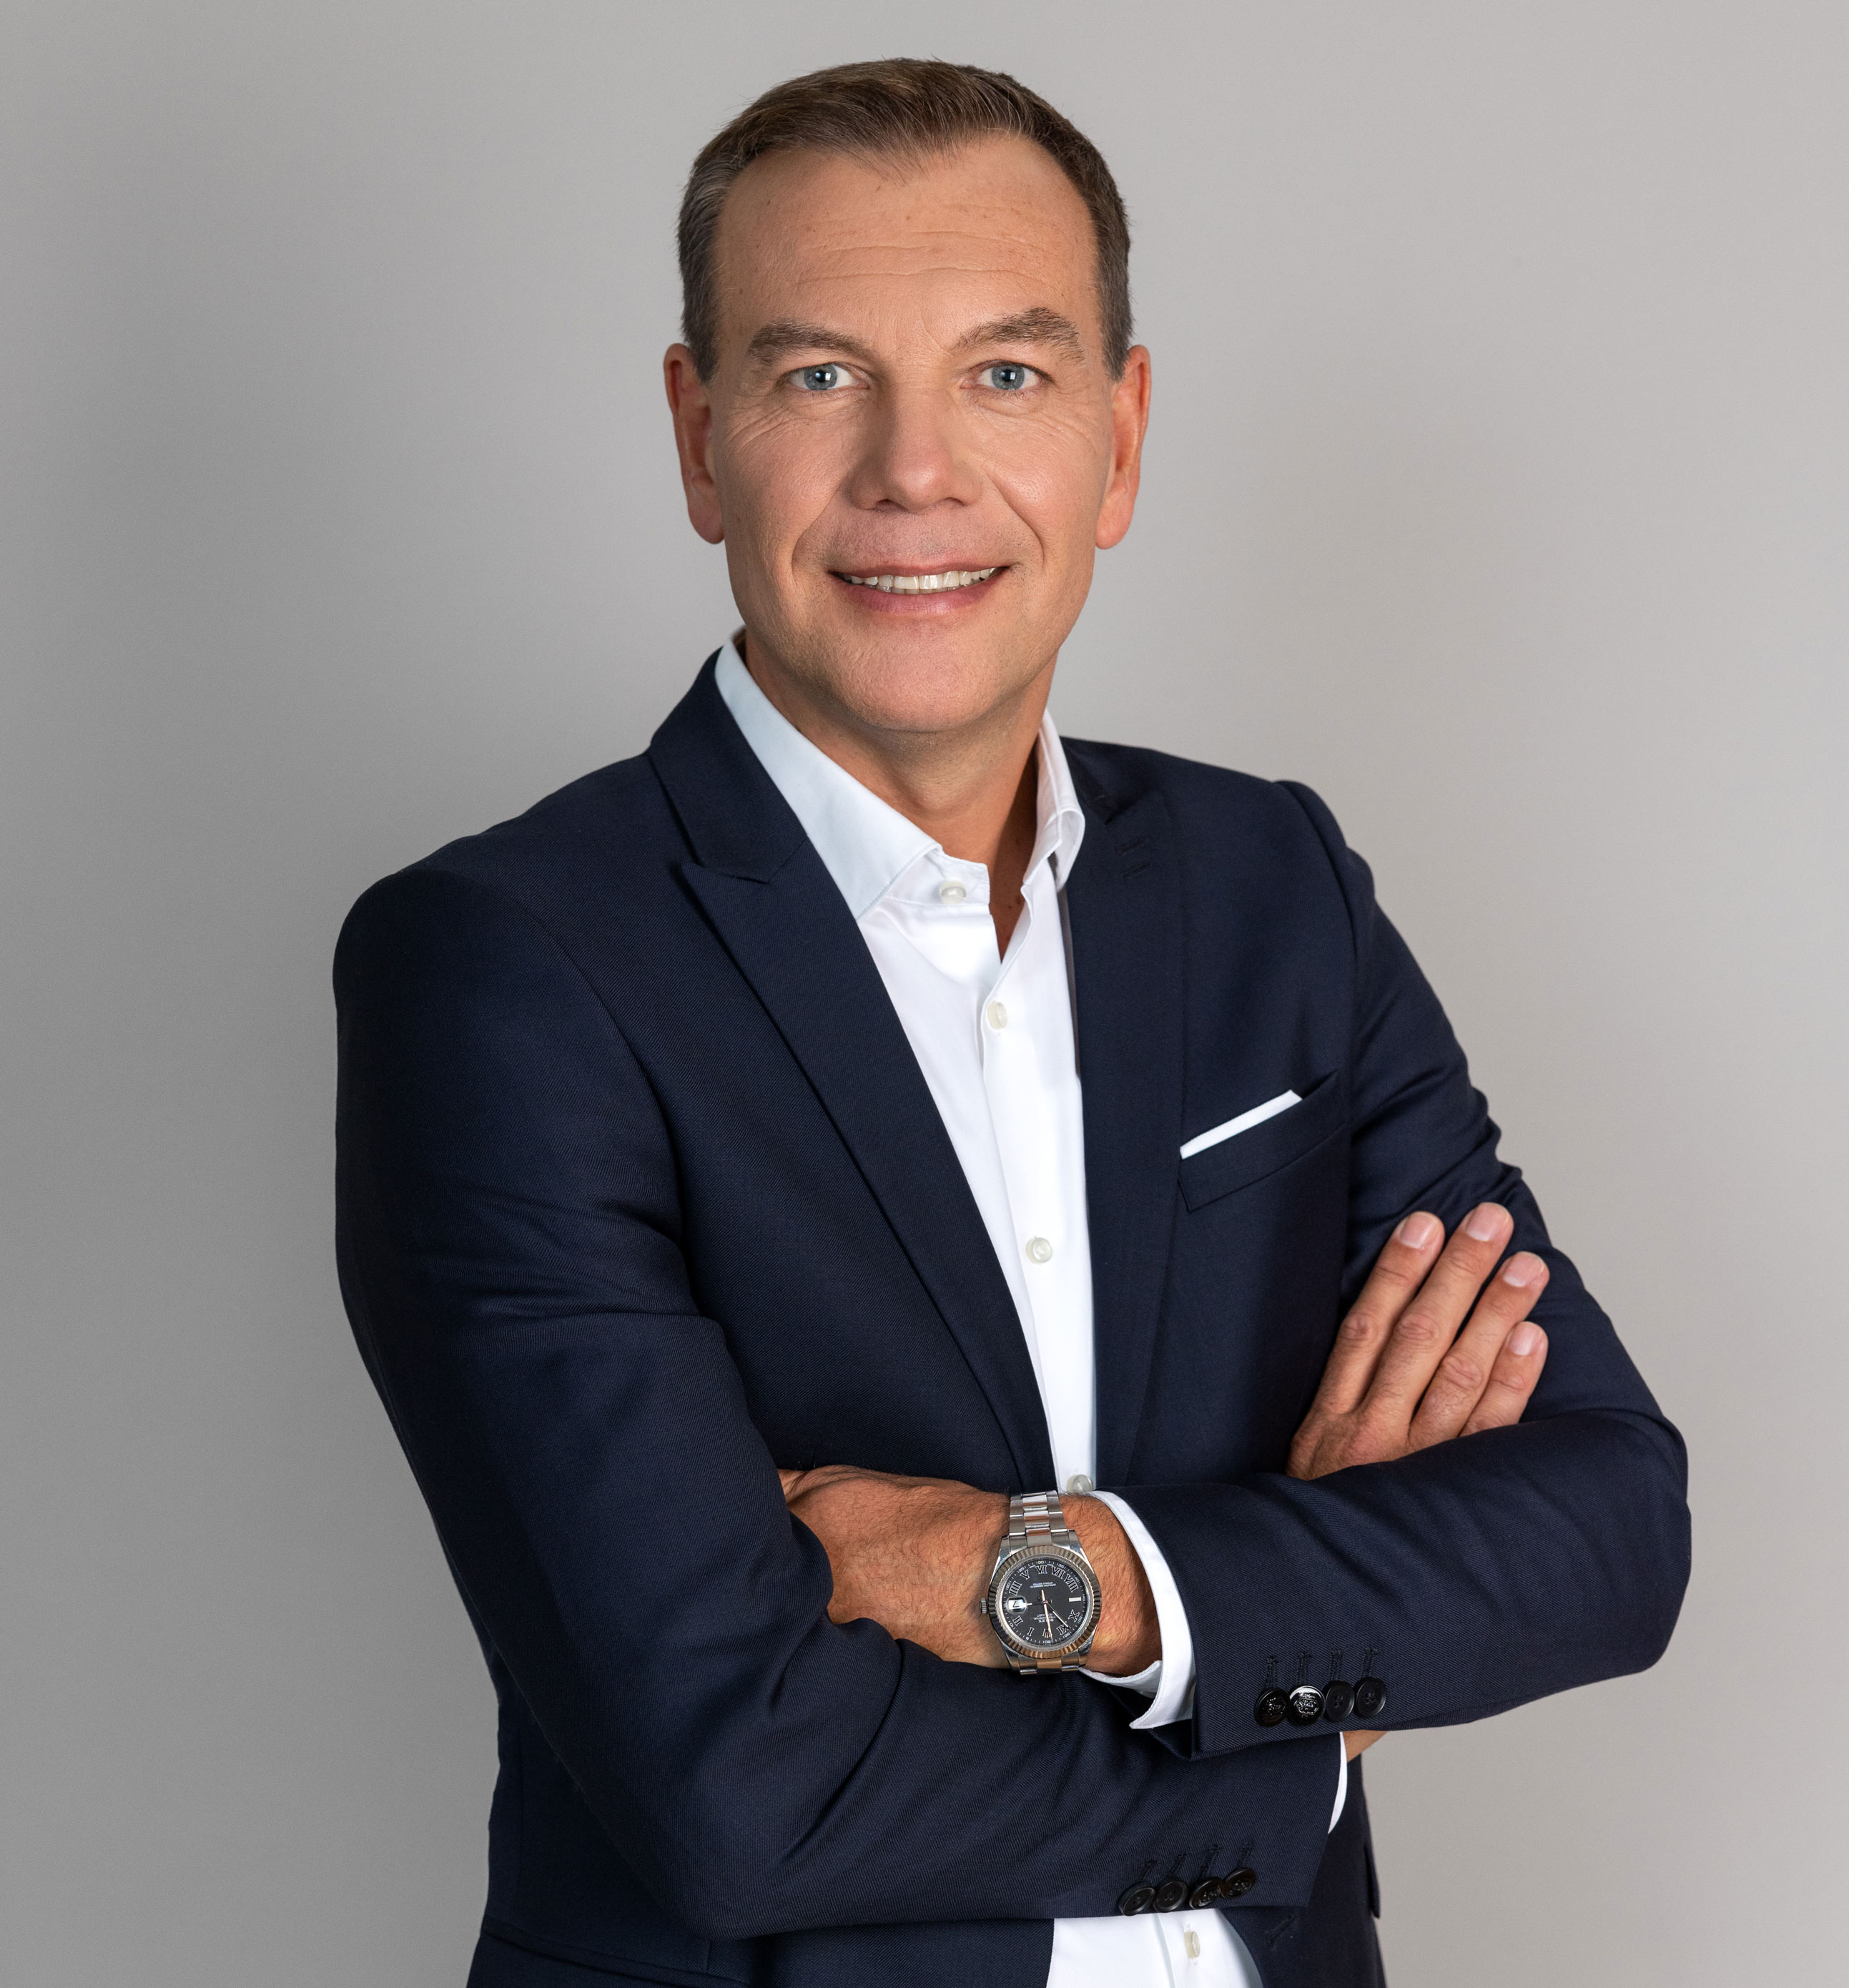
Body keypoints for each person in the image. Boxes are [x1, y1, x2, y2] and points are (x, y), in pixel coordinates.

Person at [333, 59, 1689, 1988]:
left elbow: (1607, 1524)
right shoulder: (506, 967)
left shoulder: (1271, 884)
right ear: (701, 440)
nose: (915, 470)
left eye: (1006, 373)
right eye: (820, 375)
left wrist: (1052, 1577)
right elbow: (739, 1786)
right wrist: (1297, 1703)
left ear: (1117, 442)